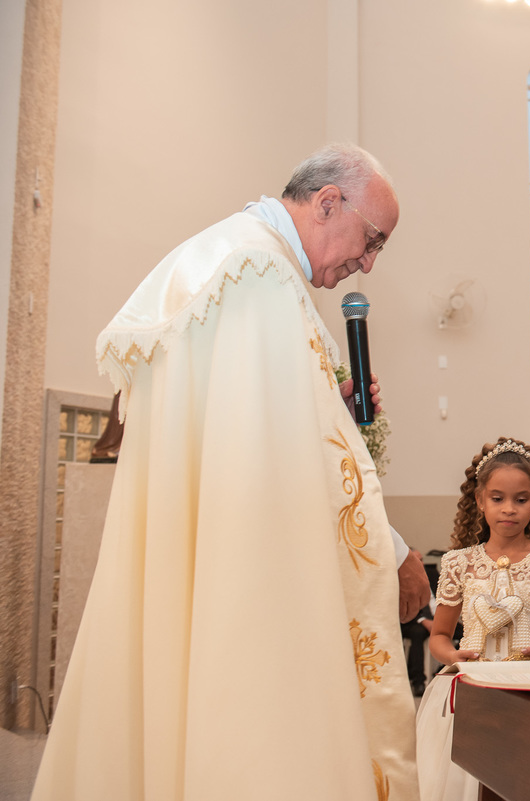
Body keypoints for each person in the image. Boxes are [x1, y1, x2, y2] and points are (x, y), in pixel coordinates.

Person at [33, 144, 428, 800]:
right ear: (328, 202)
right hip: (251, 583)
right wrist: (394, 550)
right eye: (373, 240)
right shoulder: (260, 277)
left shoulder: (225, 260)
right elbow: (283, 476)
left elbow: (254, 436)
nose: (369, 263)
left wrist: (330, 406)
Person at [415, 437, 530, 801]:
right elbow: (439, 637)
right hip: (475, 693)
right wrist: (453, 657)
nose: (509, 509)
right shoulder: (458, 563)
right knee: (475, 782)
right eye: (497, 498)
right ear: (480, 500)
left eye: (521, 499)